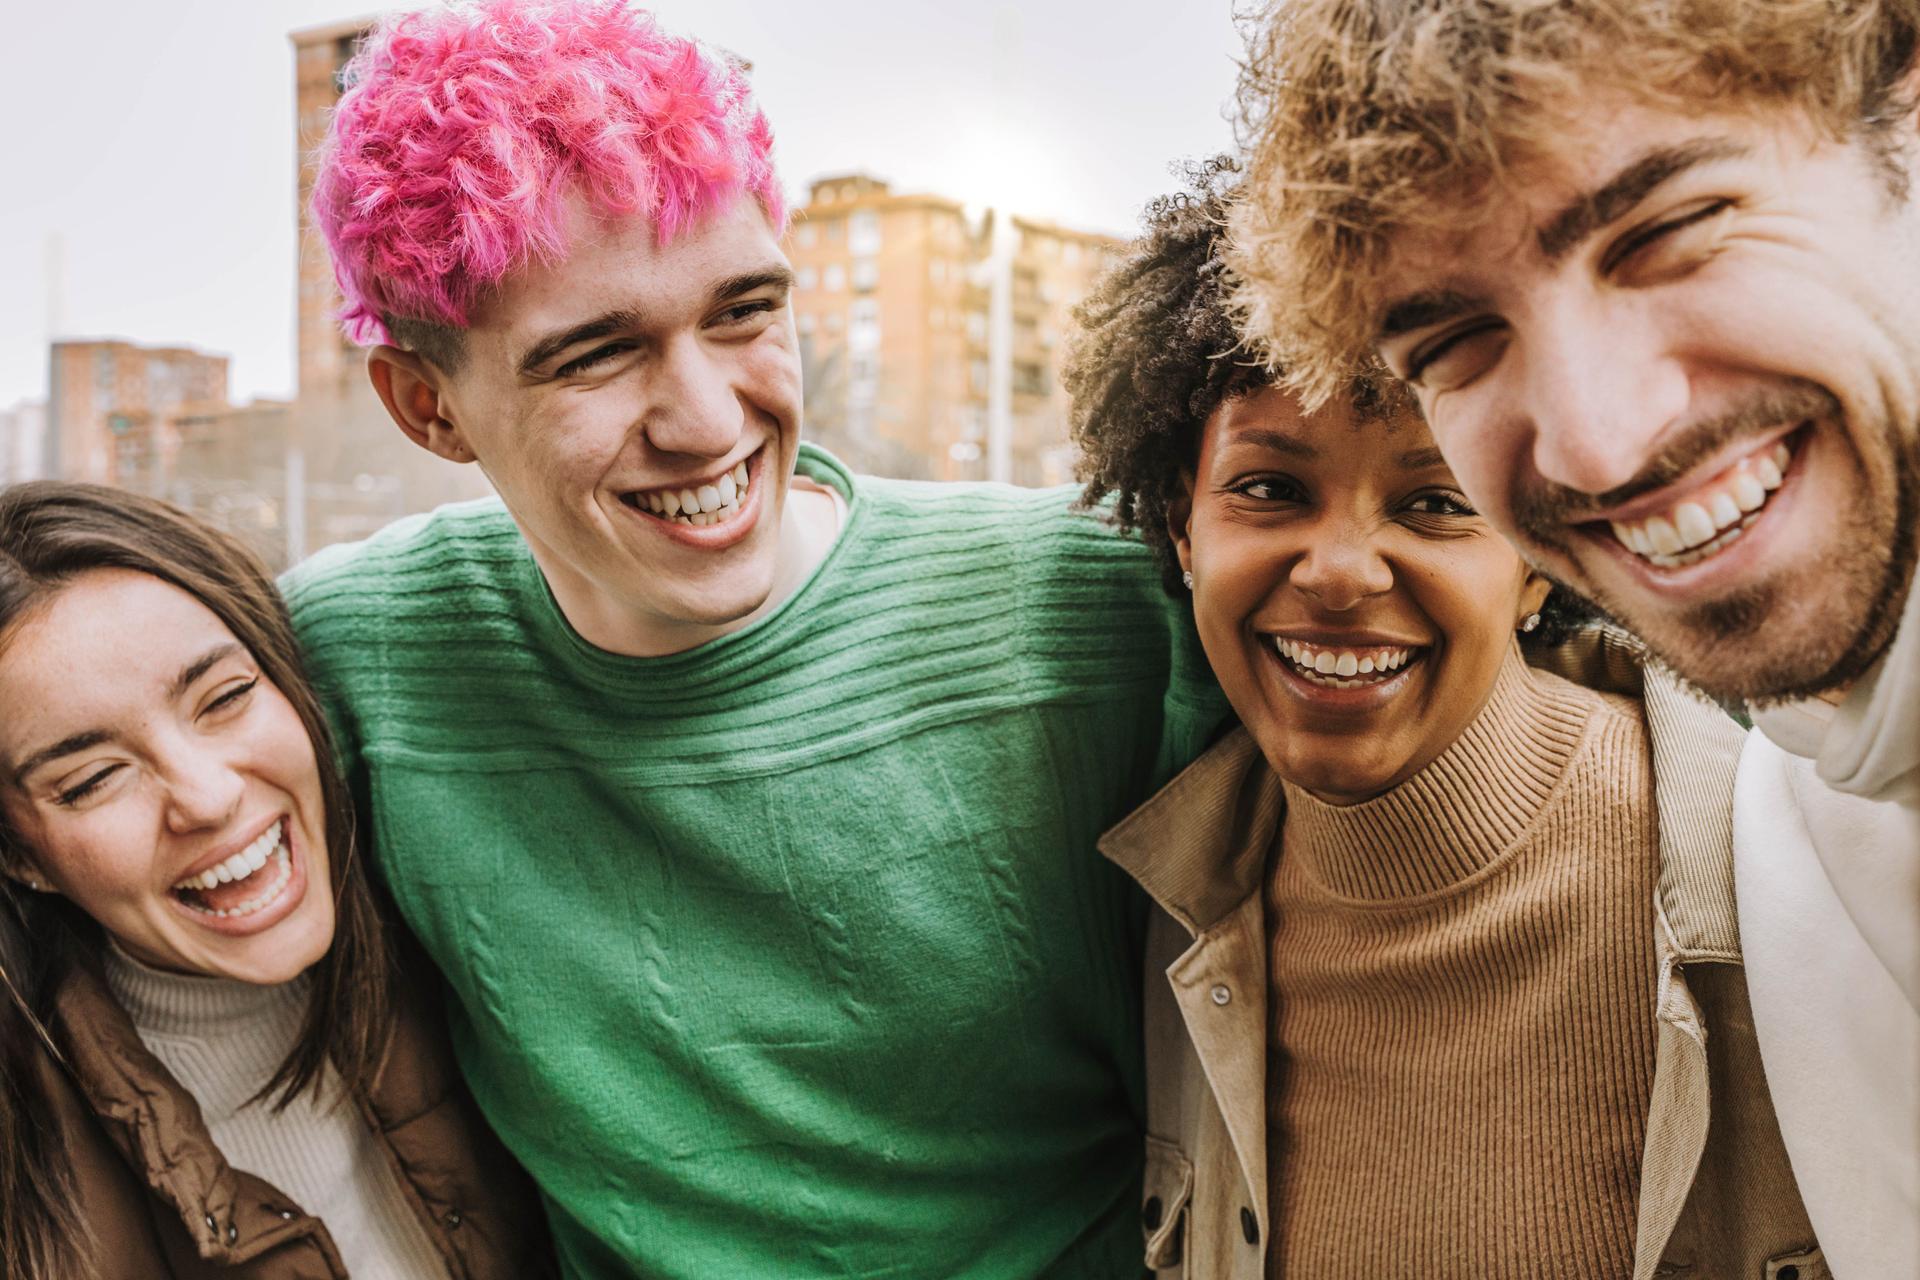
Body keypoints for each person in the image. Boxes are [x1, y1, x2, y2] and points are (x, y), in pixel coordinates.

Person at [290, 2, 1225, 1275]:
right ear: (427, 406)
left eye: (743, 311)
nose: (706, 417)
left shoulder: (1101, 611)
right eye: (595, 357)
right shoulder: (343, 665)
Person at [1227, 3, 1920, 1271]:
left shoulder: (1731, 858)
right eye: (1456, 342)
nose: (1598, 442)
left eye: (1667, 233)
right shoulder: (1799, 825)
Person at [1066, 162, 1816, 1278]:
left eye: (1435, 502)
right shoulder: (1170, 919)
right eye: (1270, 488)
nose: (1336, 569)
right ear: (1182, 530)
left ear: (1538, 557)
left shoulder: (1776, 884)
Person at [0, 482, 551, 1280]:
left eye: (224, 697)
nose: (210, 796)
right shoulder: (33, 1168)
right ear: (18, 854)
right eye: (91, 779)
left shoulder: (455, 920)